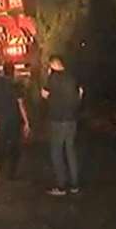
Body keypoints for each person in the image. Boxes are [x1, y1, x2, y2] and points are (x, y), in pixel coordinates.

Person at [41, 55, 84, 196]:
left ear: (52, 65)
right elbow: (80, 93)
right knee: (70, 150)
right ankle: (75, 184)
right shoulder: (72, 77)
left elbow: (44, 94)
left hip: (57, 120)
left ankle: (61, 186)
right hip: (72, 120)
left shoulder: (52, 78)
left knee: (57, 152)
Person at [0, 62, 31, 182]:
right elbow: (20, 104)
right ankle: (11, 173)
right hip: (13, 119)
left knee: (0, 145)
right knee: (15, 146)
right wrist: (26, 122)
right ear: (13, 71)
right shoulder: (16, 85)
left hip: (0, 119)